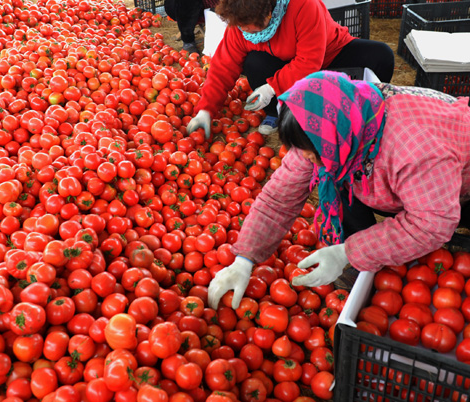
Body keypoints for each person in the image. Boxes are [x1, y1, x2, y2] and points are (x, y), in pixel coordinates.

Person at [208, 71, 470, 310]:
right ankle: (367, 264)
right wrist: (244, 259)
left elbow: (432, 223)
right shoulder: (329, 122)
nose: (307, 157)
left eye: (312, 153)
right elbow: (279, 197)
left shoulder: (412, 149)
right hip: (412, 174)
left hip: (459, 173)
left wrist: (349, 252)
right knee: (337, 181)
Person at [186, 0, 395, 137]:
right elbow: (223, 66)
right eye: (241, 26)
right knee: (254, 62)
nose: (246, 31)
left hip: (330, 55)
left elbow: (309, 61)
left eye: (250, 26)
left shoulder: (303, 6)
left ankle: (368, 110)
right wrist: (205, 110)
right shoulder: (240, 26)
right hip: (285, 64)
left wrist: (271, 87)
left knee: (381, 55)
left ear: (268, 12)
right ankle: (274, 112)